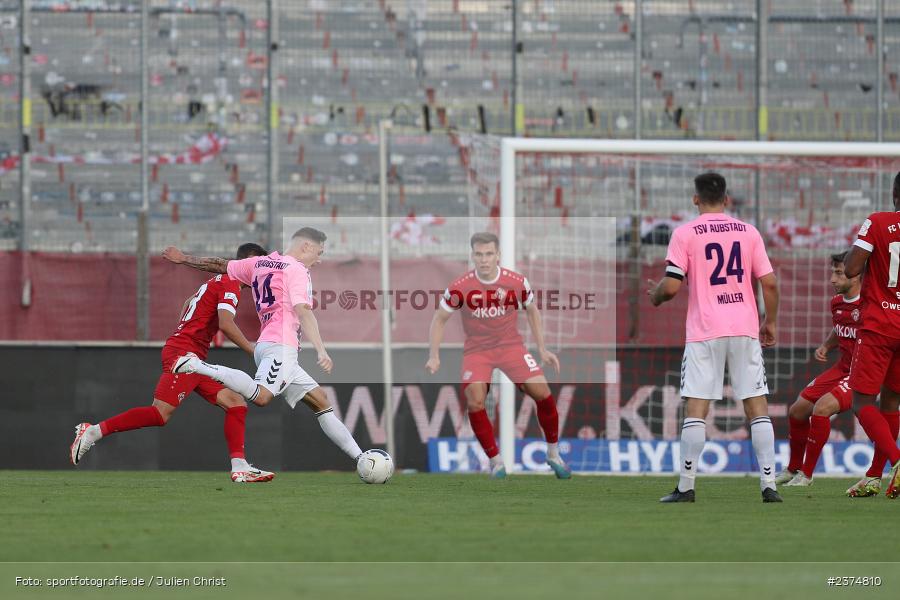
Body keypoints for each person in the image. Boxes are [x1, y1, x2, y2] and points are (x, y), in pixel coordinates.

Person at [70, 243, 274, 483]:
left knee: (235, 402)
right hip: (185, 355)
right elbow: (226, 324)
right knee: (159, 414)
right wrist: (253, 351)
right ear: (248, 263)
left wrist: (184, 332)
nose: (262, 272)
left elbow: (189, 302)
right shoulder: (230, 283)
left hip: (190, 353)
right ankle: (93, 431)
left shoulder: (217, 280)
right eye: (259, 266)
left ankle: (240, 467)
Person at [160, 228, 364, 466]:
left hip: (267, 344)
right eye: (319, 252)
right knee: (262, 396)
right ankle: (199, 366)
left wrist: (184, 258)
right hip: (281, 346)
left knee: (320, 400)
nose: (318, 259)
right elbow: (304, 312)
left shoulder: (260, 263)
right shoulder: (298, 270)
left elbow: (220, 265)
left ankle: (361, 457)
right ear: (306, 246)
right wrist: (321, 349)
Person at [647, 172, 782, 503]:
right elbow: (770, 283)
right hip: (744, 328)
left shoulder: (685, 234)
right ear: (727, 199)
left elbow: (673, 285)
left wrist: (656, 295)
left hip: (705, 330)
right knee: (756, 404)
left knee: (697, 407)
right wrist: (771, 322)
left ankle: (687, 486)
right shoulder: (748, 233)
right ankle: (769, 486)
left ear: (695, 199)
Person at [425, 231, 569, 479]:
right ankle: (496, 461)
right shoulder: (460, 287)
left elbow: (532, 311)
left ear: (498, 255)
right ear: (472, 256)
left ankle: (553, 454)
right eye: (479, 254)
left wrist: (542, 349)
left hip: (511, 346)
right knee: (474, 398)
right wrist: (433, 355)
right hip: (478, 350)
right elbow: (439, 319)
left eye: (489, 254)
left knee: (543, 393)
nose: (484, 259)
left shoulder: (516, 282)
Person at [776, 252, 861, 487]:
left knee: (822, 409)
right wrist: (826, 344)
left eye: (838, 273)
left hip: (863, 372)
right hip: (842, 367)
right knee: (797, 410)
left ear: (856, 276)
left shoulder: (871, 304)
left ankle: (807, 474)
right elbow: (840, 327)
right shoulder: (837, 303)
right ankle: (792, 469)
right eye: (832, 272)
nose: (832, 279)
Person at [840, 172, 900, 499]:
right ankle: (875, 477)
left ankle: (897, 461)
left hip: (879, 324)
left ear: (894, 193)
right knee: (891, 401)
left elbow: (850, 269)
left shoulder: (878, 222)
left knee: (862, 401)